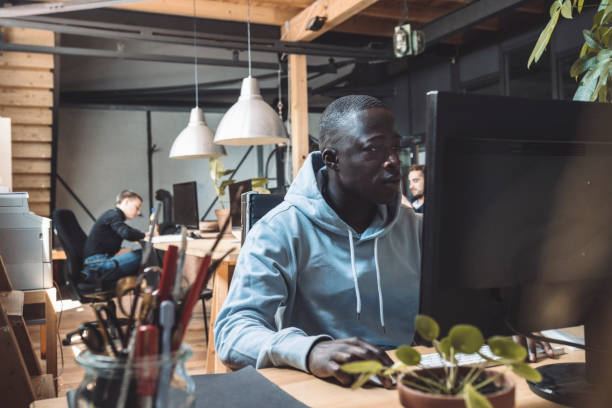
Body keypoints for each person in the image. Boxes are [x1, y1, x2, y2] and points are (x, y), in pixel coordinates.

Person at [214, 95, 422, 387]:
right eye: (374, 149)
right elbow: (232, 333)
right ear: (332, 159)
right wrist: (310, 350)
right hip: (321, 385)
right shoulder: (279, 230)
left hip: (400, 381)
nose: (392, 162)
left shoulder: (416, 229)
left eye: (396, 148)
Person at [82, 189, 146, 286]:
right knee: (147, 253)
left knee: (144, 258)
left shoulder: (114, 216)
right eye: (137, 208)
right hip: (97, 265)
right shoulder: (113, 215)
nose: (138, 212)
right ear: (126, 201)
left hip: (97, 263)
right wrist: (145, 235)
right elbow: (126, 233)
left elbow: (129, 230)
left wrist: (144, 234)